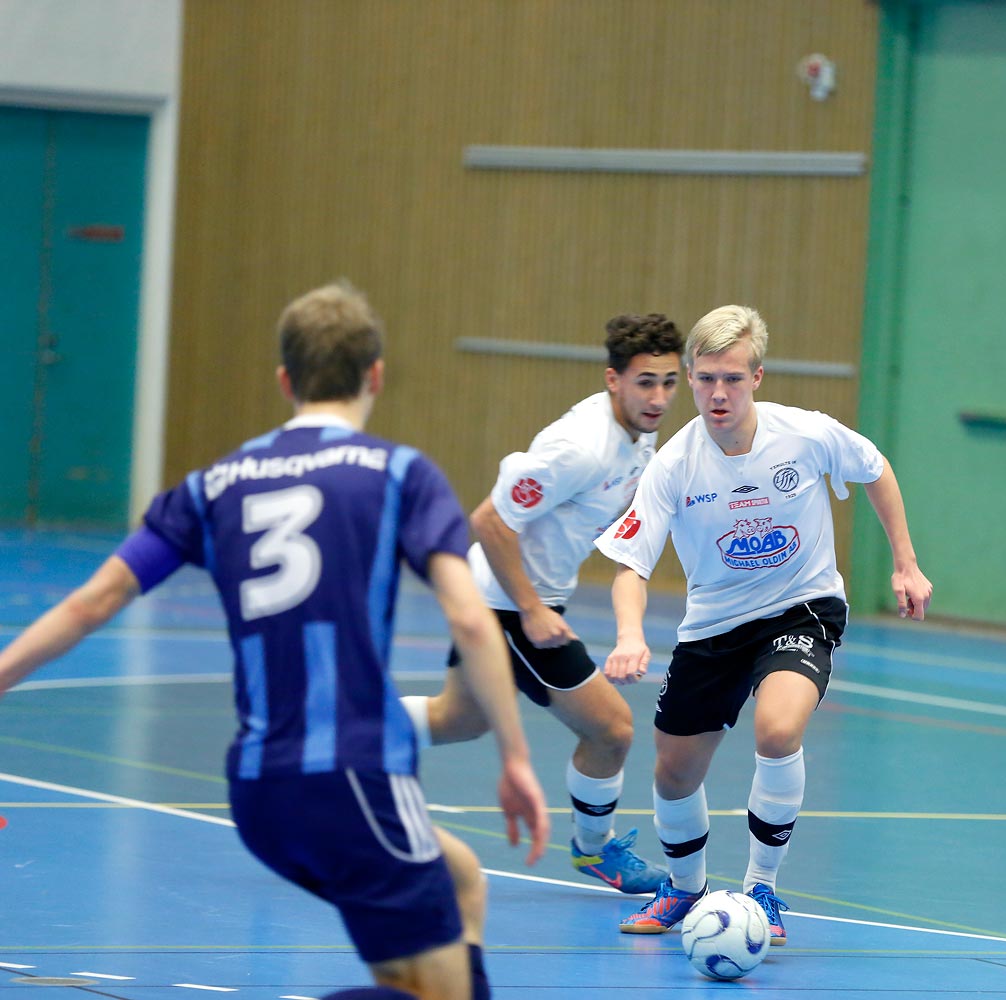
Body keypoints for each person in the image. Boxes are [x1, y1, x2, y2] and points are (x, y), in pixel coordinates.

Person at [0, 282, 549, 1000]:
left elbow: (92, 601)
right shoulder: (398, 474)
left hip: (259, 792)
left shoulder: (212, 485)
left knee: (461, 879)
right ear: (375, 376)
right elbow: (472, 620)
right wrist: (513, 756)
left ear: (285, 381)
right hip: (354, 775)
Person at [594, 304, 933, 945]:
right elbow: (629, 565)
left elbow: (876, 469)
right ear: (690, 377)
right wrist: (631, 635)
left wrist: (905, 565)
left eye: (733, 379)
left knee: (778, 730)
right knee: (673, 772)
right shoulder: (673, 465)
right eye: (705, 380)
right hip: (715, 623)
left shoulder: (806, 435)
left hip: (800, 606)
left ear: (758, 377)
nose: (718, 394)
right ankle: (684, 887)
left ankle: (762, 889)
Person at [402, 313, 682, 896]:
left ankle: (329, 732)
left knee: (459, 719)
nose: (658, 397)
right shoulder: (577, 449)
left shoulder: (642, 430)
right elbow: (488, 521)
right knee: (612, 730)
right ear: (614, 380)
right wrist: (531, 608)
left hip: (514, 597)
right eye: (645, 382)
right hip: (505, 604)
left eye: (668, 382)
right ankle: (594, 853)